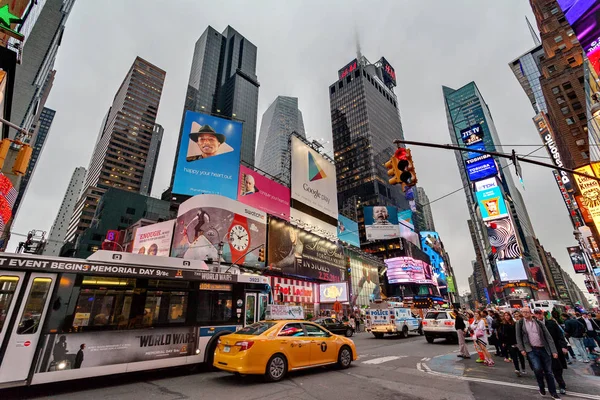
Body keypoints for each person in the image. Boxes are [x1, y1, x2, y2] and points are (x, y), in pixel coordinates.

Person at [516, 307, 560, 399]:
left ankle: (553, 392)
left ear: (531, 313)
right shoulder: (520, 323)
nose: (525, 314)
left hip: (544, 349)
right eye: (523, 312)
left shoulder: (539, 323)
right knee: (537, 368)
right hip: (531, 350)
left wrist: (554, 351)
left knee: (549, 372)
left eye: (527, 312)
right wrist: (522, 349)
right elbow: (518, 337)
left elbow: (548, 337)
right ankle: (541, 387)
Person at [536, 310, 568, 395]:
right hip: (542, 350)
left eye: (540, 313)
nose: (538, 315)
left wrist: (563, 346)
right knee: (546, 370)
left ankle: (561, 385)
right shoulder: (534, 325)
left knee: (557, 368)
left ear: (543, 314)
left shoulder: (551, 323)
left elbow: (560, 335)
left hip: (554, 348)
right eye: (536, 314)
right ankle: (550, 387)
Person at [498, 311, 527, 376]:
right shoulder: (503, 324)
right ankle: (517, 369)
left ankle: (523, 368)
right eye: (505, 315)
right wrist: (503, 342)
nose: (506, 317)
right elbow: (502, 334)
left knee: (520, 356)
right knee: (514, 357)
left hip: (517, 341)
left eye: (508, 315)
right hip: (509, 342)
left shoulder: (514, 323)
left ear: (510, 316)